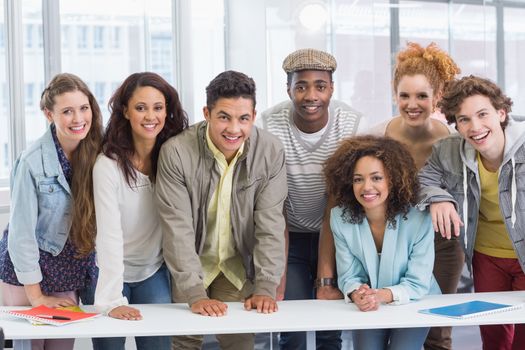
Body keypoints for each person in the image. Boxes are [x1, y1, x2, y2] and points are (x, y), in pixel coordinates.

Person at [156, 70, 287, 350]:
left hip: (235, 266)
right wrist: (194, 293)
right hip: (190, 264)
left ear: (254, 115)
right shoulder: (176, 152)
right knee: (185, 342)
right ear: (207, 113)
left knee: (239, 343)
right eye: (224, 117)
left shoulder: (270, 151)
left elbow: (270, 225)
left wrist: (266, 286)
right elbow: (177, 229)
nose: (234, 129)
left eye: (243, 118)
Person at [259, 48, 361, 350]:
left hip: (337, 234)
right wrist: (275, 274)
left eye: (320, 86)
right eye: (300, 86)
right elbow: (272, 205)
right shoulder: (269, 124)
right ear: (288, 88)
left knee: (331, 324)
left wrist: (325, 278)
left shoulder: (350, 124)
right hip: (288, 233)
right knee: (292, 324)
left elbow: (337, 202)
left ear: (331, 88)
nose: (310, 95)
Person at [366, 42, 463, 350]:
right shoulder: (377, 137)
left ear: (437, 97)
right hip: (391, 243)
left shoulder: (455, 141)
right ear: (395, 95)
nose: (412, 104)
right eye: (404, 95)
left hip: (442, 242)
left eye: (422, 95)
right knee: (389, 323)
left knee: (437, 329)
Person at [418, 75, 525, 350]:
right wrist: (439, 198)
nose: (475, 127)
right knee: (493, 336)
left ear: (501, 113)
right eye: (464, 119)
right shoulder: (449, 150)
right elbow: (423, 180)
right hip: (487, 256)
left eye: (482, 114)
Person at [0, 73, 103, 350]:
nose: (78, 118)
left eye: (83, 108)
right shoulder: (32, 161)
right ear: (49, 114)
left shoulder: (98, 154)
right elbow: (21, 235)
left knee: (61, 347)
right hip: (26, 272)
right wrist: (36, 297)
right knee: (31, 346)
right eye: (67, 111)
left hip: (68, 268)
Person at [92, 72, 188, 350]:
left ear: (167, 111)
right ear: (125, 111)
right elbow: (108, 236)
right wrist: (111, 300)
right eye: (140, 107)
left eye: (158, 107)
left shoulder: (173, 157)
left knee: (158, 346)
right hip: (108, 273)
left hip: (152, 270)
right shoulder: (107, 166)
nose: (150, 116)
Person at [325, 135, 440, 350]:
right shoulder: (339, 218)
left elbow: (417, 282)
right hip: (369, 303)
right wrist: (357, 293)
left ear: (393, 179)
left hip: (414, 300)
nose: (366, 187)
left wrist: (381, 295)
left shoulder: (419, 217)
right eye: (358, 179)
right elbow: (349, 275)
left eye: (376, 178)